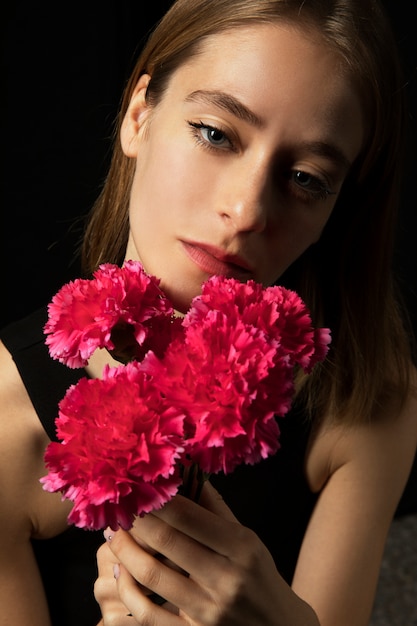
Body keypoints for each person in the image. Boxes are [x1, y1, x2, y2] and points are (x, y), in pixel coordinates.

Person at [0, 0, 416, 625]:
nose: (247, 211)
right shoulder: (5, 424)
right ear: (139, 117)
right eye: (215, 134)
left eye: (305, 178)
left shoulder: (368, 399)